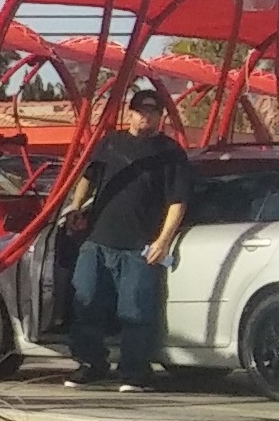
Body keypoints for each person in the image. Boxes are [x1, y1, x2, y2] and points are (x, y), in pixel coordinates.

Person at [58, 79, 191, 389]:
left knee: (135, 311)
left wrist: (163, 241)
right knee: (86, 301)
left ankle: (134, 372)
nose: (145, 117)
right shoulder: (110, 144)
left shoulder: (171, 154)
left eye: (152, 112)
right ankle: (91, 364)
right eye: (140, 111)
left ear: (160, 117)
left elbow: (177, 201)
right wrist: (76, 208)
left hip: (140, 247)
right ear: (129, 114)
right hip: (97, 240)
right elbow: (88, 177)